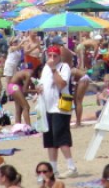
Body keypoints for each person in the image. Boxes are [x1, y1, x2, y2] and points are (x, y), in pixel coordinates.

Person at [37, 45, 78, 179]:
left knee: (61, 138)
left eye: (55, 56)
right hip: (47, 107)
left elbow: (61, 84)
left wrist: (54, 69)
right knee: (50, 141)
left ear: (59, 57)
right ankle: (53, 169)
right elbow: (44, 85)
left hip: (60, 108)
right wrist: (39, 89)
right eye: (50, 56)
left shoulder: (63, 67)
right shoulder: (45, 69)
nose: (52, 58)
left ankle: (71, 167)